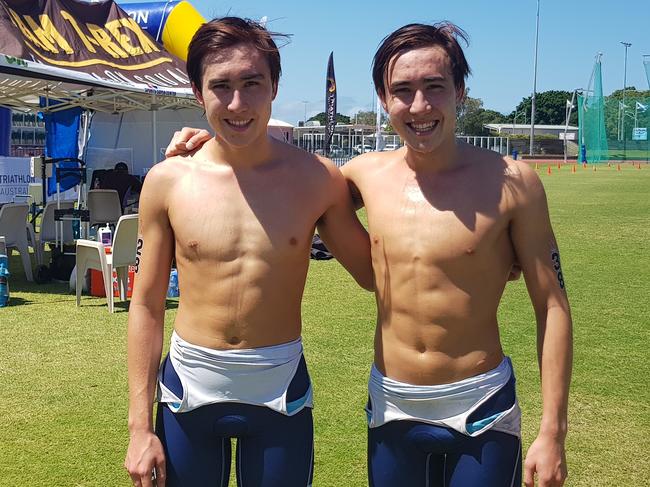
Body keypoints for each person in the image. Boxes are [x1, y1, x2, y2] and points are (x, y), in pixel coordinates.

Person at [166, 21, 573, 487]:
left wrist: (553, 431)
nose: (419, 106)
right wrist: (199, 146)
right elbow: (267, 185)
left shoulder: (515, 184)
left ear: (460, 91)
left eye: (434, 87)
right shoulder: (360, 176)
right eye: (402, 90)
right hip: (392, 406)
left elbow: (554, 307)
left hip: (481, 401)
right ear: (384, 99)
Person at [124, 17, 372, 487]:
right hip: (187, 392)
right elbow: (146, 305)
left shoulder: (317, 180)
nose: (237, 104)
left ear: (274, 87)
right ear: (198, 93)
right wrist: (139, 427)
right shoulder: (167, 181)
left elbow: (373, 274)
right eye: (221, 86)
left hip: (279, 390)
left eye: (252, 83)